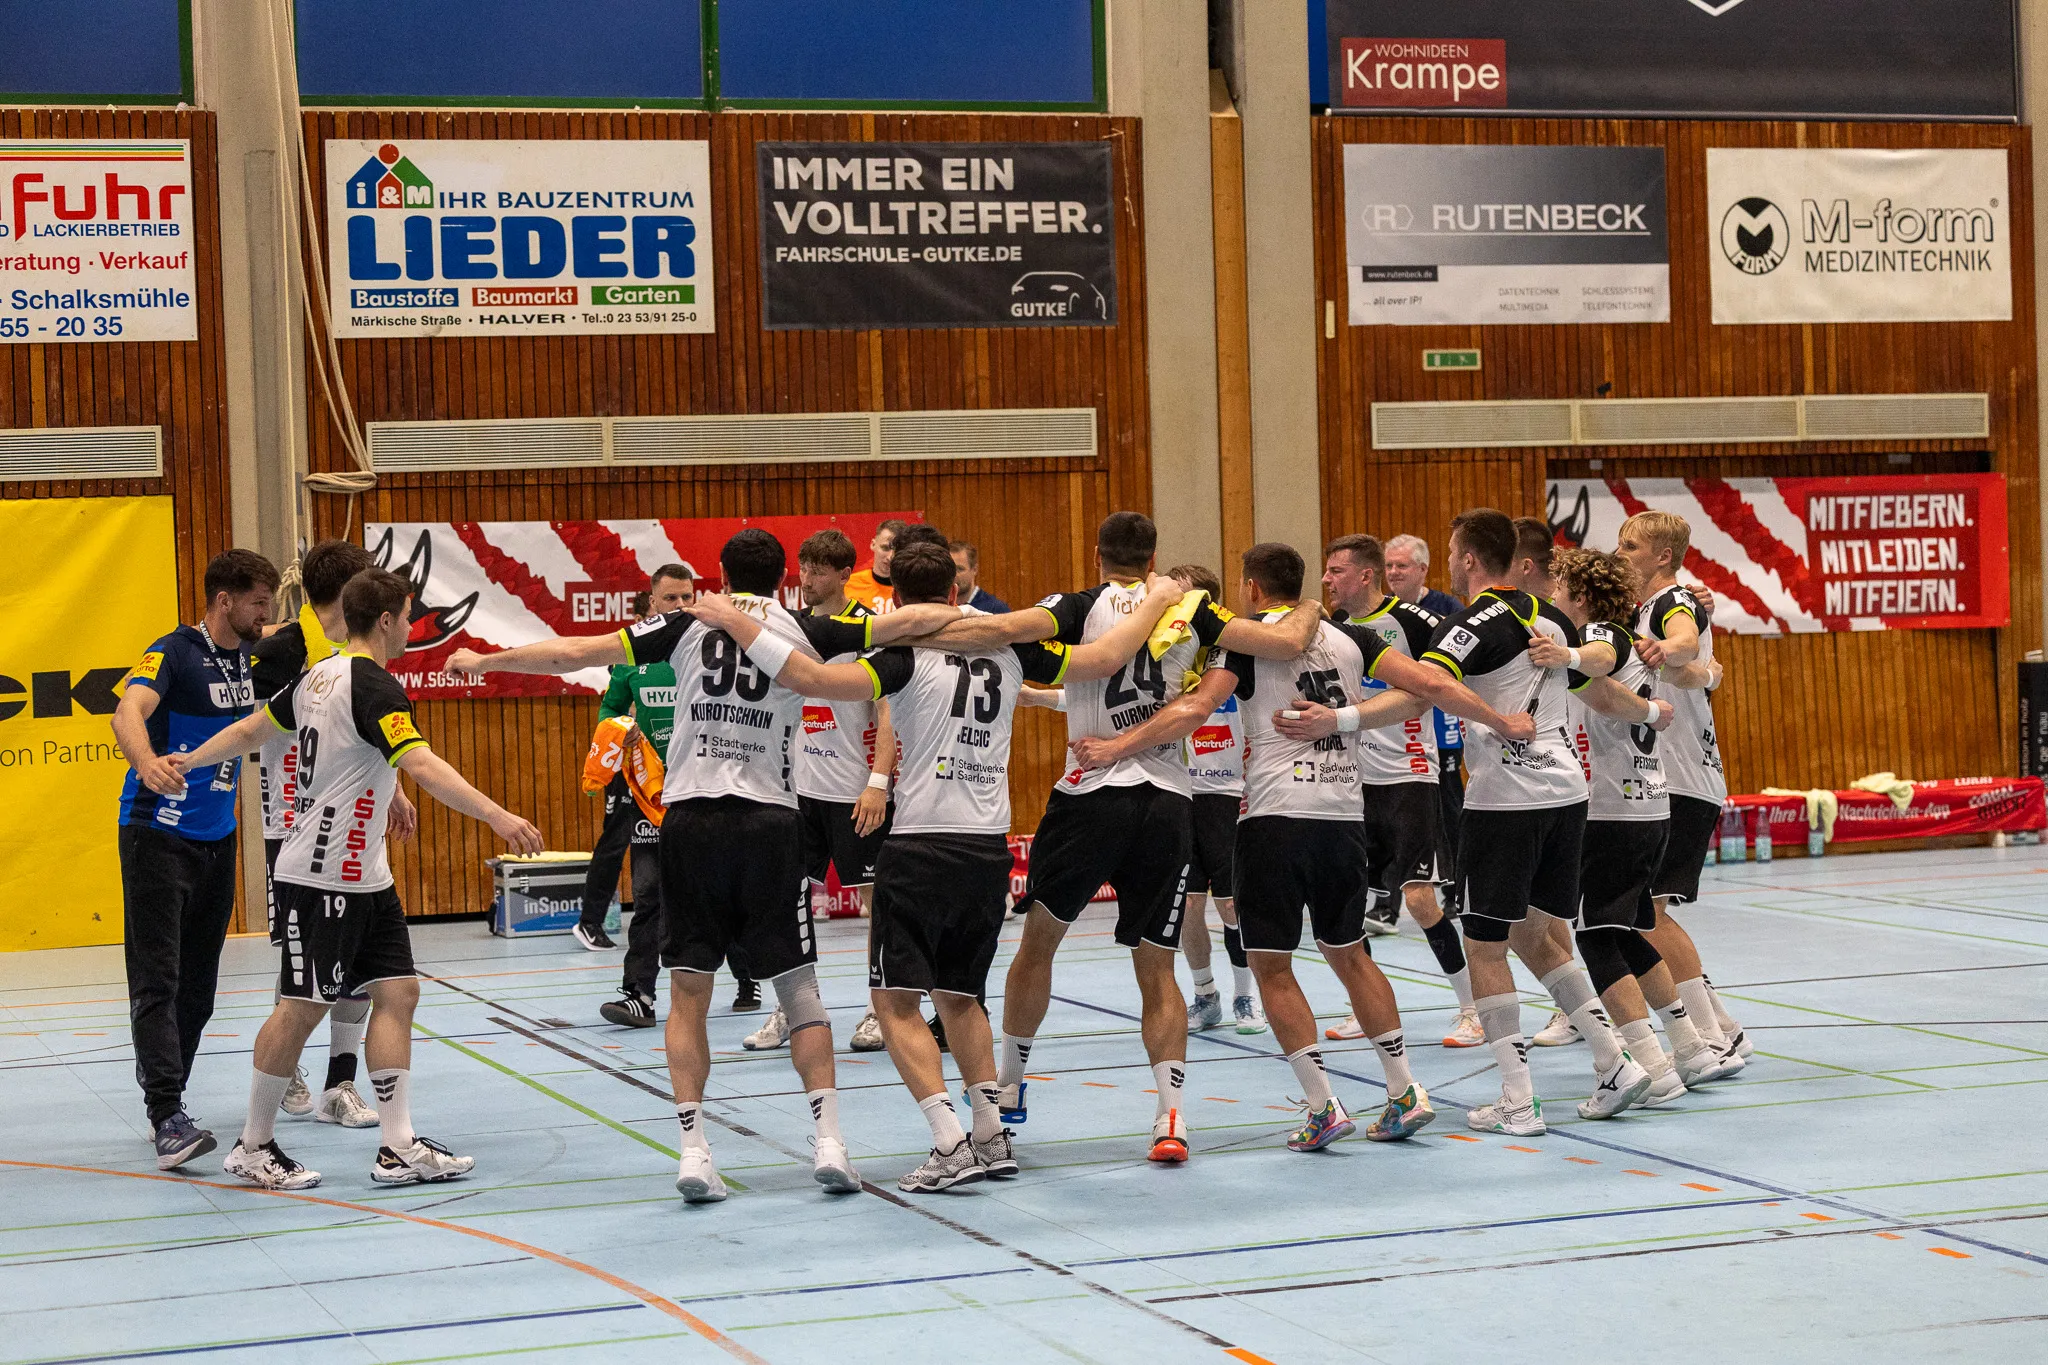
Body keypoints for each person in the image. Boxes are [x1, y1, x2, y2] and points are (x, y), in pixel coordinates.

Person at [447, 529, 978, 1203]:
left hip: (692, 823)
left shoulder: (685, 623)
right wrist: (978, 621)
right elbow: (904, 623)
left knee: (688, 994)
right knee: (801, 992)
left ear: (720, 577)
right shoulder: (804, 626)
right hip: (770, 824)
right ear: (785, 577)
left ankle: (695, 1151)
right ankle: (830, 1143)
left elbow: (575, 652)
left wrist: (485, 658)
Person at [698, 541, 1184, 1191]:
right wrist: (1155, 599)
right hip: (986, 849)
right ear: (955, 592)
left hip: (921, 843)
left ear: (896, 598)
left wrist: (735, 620)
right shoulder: (1012, 649)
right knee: (960, 996)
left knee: (893, 1002)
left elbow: (808, 679)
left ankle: (949, 1141)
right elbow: (1103, 657)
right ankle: (990, 1133)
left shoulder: (901, 656)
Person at [1078, 544, 1532, 1151]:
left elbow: (1197, 706)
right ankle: (1404, 1091)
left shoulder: (1246, 642)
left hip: (1274, 818)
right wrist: (1498, 722)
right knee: (1351, 954)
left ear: (1252, 588)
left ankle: (1322, 1105)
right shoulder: (1350, 636)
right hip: (1343, 815)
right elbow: (1429, 685)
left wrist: (1117, 746)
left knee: (1271, 964)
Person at [966, 511, 1322, 1164]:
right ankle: (1170, 1117)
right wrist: (1309, 606)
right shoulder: (1193, 610)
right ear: (1154, 557)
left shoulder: (1076, 606)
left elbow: (1013, 632)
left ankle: (1009, 1086)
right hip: (1167, 802)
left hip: (1089, 797)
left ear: (1097, 554)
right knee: (1157, 966)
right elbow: (1282, 641)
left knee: (1038, 943)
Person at [176, 568, 544, 1190]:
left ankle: (397, 1146)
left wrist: (193, 757)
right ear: (386, 620)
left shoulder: (320, 676)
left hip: (366, 874)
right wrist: (497, 816)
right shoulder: (373, 684)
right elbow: (420, 762)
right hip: (320, 874)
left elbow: (253, 730)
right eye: (409, 617)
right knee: (301, 1007)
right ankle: (253, 1145)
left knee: (398, 992)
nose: (412, 628)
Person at [1419, 509, 1653, 1137]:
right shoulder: (1551, 619)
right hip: (1567, 792)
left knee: (1484, 944)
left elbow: (1431, 684)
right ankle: (1615, 1061)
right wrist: (1651, 712)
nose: (1450, 561)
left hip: (1506, 799)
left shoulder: (1474, 622)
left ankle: (1517, 1099)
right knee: (1534, 934)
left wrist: (1346, 718)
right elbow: (1594, 684)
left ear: (1471, 559)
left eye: (1452, 551)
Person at [1541, 548, 1740, 1103]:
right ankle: (1691, 1047)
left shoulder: (1601, 636)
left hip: (1612, 809)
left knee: (1594, 935)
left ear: (1581, 598)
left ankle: (1648, 1064)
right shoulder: (1632, 638)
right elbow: (1691, 670)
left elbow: (1599, 657)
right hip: (1648, 803)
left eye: (1560, 591)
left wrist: (1565, 653)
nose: (1553, 599)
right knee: (1628, 929)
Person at [112, 548, 278, 1170]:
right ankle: (166, 1113)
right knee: (158, 978)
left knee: (200, 989)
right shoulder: (174, 652)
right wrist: (146, 762)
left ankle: (168, 1091)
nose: (265, 615)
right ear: (223, 601)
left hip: (218, 839)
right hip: (156, 837)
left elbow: (317, 631)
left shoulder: (252, 655)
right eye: (257, 604)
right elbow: (126, 711)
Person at [1315, 535, 1484, 1050]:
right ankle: (1363, 1006)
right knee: (1349, 901)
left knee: (1420, 900)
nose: (1326, 580)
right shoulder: (1331, 627)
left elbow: (1458, 676)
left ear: (1365, 576)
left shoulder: (1415, 621)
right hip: (1351, 781)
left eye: (1336, 571)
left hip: (1410, 777)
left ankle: (1473, 1008)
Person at [249, 538, 387, 1128]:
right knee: (300, 961)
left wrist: (397, 792)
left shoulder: (357, 652)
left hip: (356, 820)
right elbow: (255, 728)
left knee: (362, 962)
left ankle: (341, 1084)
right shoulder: (280, 651)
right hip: (293, 824)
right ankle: (282, 1069)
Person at [745, 529, 899, 1054]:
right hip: (797, 793)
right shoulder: (791, 627)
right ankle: (792, 1009)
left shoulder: (868, 630)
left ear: (843, 574)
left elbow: (888, 711)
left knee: (878, 904)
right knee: (785, 901)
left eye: (818, 570)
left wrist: (877, 782)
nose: (807, 579)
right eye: (803, 568)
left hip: (855, 793)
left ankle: (881, 1010)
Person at [1619, 510, 1752, 1072]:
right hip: (1662, 780)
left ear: (1662, 556)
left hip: (1683, 781)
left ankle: (1715, 1036)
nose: (1620, 555)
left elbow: (1685, 638)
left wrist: (1668, 651)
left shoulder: (1672, 601)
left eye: (1630, 547)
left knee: (1647, 911)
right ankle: (1720, 1027)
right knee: (1640, 910)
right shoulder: (1640, 609)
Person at [592, 566, 710, 1027]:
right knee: (647, 896)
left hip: (702, 791)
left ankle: (748, 978)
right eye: (671, 599)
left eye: (687, 597)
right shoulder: (632, 657)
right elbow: (610, 707)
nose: (680, 606)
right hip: (649, 795)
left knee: (714, 893)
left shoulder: (710, 648)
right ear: (652, 603)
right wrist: (618, 728)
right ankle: (638, 994)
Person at [1166, 564, 1263, 1037]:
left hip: (1228, 795)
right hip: (1181, 792)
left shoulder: (1238, 652)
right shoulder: (1165, 653)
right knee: (1188, 907)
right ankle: (1206, 996)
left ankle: (1247, 995)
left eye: (1186, 598)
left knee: (1230, 906)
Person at [1383, 532, 1467, 925]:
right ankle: (1385, 902)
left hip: (1438, 722)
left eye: (1401, 565)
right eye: (1388, 566)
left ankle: (1455, 891)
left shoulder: (1446, 609)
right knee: (1388, 814)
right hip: (1391, 728)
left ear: (1422, 569)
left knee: (1448, 805)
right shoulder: (1379, 612)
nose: (1393, 572)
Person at [844, 518, 909, 615]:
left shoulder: (912, 588)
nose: (890, 557)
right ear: (873, 544)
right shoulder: (848, 585)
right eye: (885, 548)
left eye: (898, 550)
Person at [950, 540, 1010, 614]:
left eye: (960, 569)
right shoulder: (941, 607)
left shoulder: (995, 609)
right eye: (950, 569)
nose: (954, 575)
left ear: (974, 570)